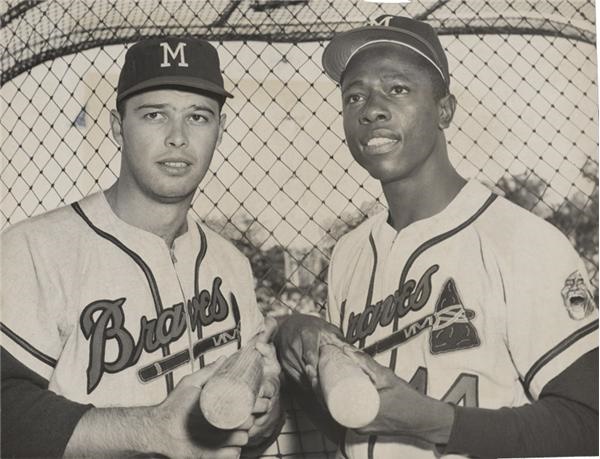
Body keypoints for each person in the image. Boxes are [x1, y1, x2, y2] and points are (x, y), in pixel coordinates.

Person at [275, 15, 598, 459]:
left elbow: (589, 422)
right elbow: (353, 425)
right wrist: (296, 346)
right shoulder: (349, 253)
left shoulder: (522, 241)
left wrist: (433, 422)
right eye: (355, 96)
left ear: (444, 109)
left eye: (398, 89)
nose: (371, 108)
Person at [1, 37, 283, 458]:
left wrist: (266, 412)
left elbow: (255, 422)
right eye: (155, 115)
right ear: (118, 127)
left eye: (198, 117)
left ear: (219, 132)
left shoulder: (231, 263)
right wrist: (149, 430)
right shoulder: (33, 249)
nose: (177, 137)